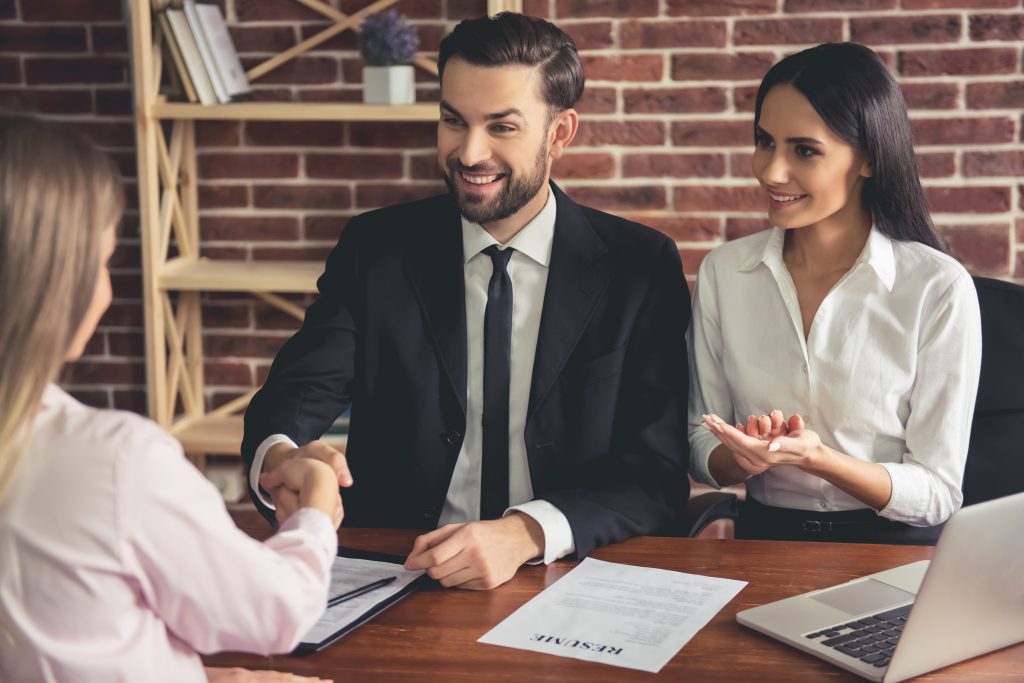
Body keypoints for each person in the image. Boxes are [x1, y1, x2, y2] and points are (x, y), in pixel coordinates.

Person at [243, 12, 691, 590]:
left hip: (569, 571)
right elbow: (294, 395)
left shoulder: (640, 266)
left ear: (560, 133)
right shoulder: (374, 249)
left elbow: (654, 472)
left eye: (502, 127)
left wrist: (528, 532)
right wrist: (281, 459)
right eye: (454, 120)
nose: (469, 153)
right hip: (402, 569)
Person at [0, 114, 343, 682]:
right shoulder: (114, 461)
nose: (106, 288)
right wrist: (315, 513)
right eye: (103, 262)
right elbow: (275, 613)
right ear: (52, 280)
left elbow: (69, 643)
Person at [687, 43, 982, 544]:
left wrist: (820, 460)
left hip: (892, 551)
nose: (770, 171)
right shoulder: (724, 273)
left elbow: (937, 491)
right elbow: (699, 438)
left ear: (867, 159)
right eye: (764, 141)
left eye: (804, 150)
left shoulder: (937, 287)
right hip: (764, 544)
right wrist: (738, 457)